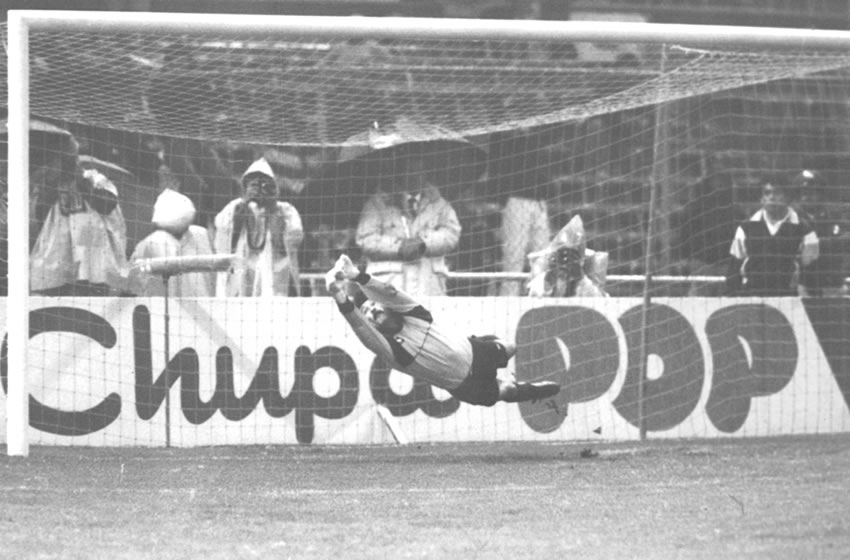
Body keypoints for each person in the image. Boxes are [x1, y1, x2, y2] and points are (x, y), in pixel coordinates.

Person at [324, 254, 561, 407]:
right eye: (368, 315)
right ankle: (530, 391)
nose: (373, 312)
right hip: (463, 385)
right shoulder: (391, 350)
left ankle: (483, 345)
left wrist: (356, 276)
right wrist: (339, 295)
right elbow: (360, 328)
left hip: (474, 351)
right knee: (507, 391)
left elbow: (389, 292)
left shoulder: (414, 314)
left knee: (510, 347)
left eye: (374, 306)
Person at [29, 132, 129, 296]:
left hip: (92, 249)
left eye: (67, 158)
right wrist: (50, 186)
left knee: (92, 287)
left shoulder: (93, 177)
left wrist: (80, 180)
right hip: (60, 258)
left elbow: (107, 204)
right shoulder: (49, 186)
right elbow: (38, 218)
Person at [355, 155, 461, 297]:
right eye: (410, 171)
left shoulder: (440, 204)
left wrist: (424, 243)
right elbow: (365, 239)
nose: (415, 177)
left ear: (426, 174)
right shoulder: (377, 203)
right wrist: (398, 247)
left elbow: (452, 234)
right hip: (389, 286)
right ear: (400, 174)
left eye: (419, 172)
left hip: (429, 287)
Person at [213, 157, 304, 297]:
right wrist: (244, 207)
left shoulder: (285, 210)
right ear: (245, 187)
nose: (259, 189)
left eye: (265, 185)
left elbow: (292, 240)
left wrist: (272, 207)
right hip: (242, 271)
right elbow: (223, 233)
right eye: (254, 184)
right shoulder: (235, 207)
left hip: (274, 272)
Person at [726, 173, 819, 296]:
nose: (772, 197)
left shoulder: (804, 230)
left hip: (788, 297)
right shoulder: (746, 228)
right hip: (751, 295)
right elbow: (734, 268)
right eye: (767, 193)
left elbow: (811, 270)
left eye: (777, 193)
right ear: (761, 199)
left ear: (787, 198)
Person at [490, 134, 554, 296]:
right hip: (517, 199)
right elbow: (498, 167)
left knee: (542, 257)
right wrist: (501, 199)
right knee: (514, 257)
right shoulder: (507, 136)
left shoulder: (538, 134)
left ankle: (539, 298)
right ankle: (508, 300)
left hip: (539, 201)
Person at [128, 188, 215, 297]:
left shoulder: (201, 235)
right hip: (164, 308)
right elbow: (133, 285)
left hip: (206, 305)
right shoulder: (149, 244)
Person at [793, 169, 850, 297]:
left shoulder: (835, 213)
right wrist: (830, 243)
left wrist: (815, 244)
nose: (808, 196)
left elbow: (846, 239)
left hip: (833, 282)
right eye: (804, 192)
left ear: (821, 193)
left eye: (813, 192)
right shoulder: (792, 216)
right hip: (803, 284)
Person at [527, 214, 609, 298]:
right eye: (562, 255)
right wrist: (549, 279)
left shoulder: (589, 271)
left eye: (572, 256)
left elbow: (601, 304)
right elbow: (532, 302)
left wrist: (580, 278)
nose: (565, 262)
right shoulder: (543, 272)